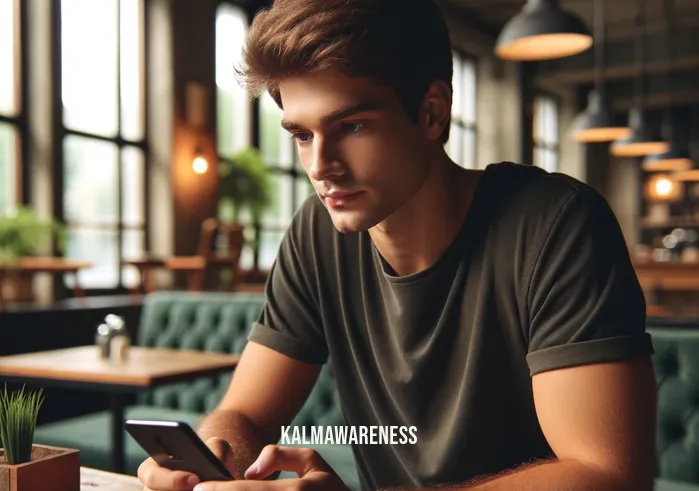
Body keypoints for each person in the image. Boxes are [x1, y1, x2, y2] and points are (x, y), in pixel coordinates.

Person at [138, 0, 657, 490]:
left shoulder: (557, 225)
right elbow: (245, 413)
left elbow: (606, 475)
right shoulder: (317, 234)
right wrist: (216, 451)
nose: (321, 166)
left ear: (432, 112)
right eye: (301, 135)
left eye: (352, 126)